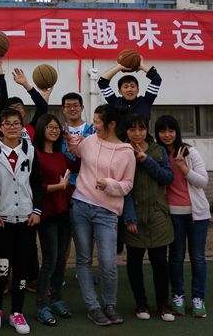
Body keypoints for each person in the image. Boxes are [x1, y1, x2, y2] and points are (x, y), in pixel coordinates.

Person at [65, 104, 135, 326]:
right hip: (80, 205)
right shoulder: (89, 141)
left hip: (107, 212)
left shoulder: (126, 152)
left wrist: (110, 184)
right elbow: (76, 150)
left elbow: (128, 185)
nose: (93, 125)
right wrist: (70, 139)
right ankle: (93, 307)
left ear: (111, 124)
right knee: (83, 259)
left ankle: (110, 305)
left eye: (97, 122)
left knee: (108, 262)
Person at [0, 108, 43, 335]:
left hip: (26, 218)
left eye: (16, 123)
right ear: (0, 127)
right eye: (7, 123)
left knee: (21, 268)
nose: (11, 127)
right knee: (1, 268)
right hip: (2, 219)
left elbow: (37, 183)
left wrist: (36, 210)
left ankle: (17, 312)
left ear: (22, 126)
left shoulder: (30, 150)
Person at [155, 115, 210, 319]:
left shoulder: (189, 152)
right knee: (176, 257)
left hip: (198, 215)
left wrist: (184, 169)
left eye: (171, 130)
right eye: (162, 131)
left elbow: (203, 182)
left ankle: (198, 299)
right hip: (173, 215)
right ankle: (177, 296)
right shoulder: (158, 154)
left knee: (198, 257)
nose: (167, 135)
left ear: (177, 132)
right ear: (157, 134)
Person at [121, 113, 175, 322]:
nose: (137, 133)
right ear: (126, 131)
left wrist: (147, 161)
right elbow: (123, 187)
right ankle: (140, 303)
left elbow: (168, 178)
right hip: (133, 217)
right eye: (132, 129)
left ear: (147, 130)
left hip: (157, 215)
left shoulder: (157, 150)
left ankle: (163, 304)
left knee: (160, 263)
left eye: (141, 128)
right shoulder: (122, 151)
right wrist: (129, 217)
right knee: (134, 263)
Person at [32, 114, 80, 327]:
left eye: (56, 127)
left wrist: (71, 141)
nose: (54, 130)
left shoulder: (61, 154)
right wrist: (57, 187)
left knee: (61, 259)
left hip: (64, 212)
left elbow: (77, 165)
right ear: (41, 129)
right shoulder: (35, 155)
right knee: (50, 260)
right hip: (46, 214)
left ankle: (56, 299)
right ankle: (41, 305)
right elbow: (33, 186)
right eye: (50, 127)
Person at [97, 58, 162, 139]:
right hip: (120, 144)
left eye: (132, 86)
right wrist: (118, 67)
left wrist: (142, 66)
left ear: (138, 90)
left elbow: (157, 79)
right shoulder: (114, 102)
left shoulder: (146, 101)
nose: (129, 89)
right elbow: (102, 82)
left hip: (142, 143)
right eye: (125, 87)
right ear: (120, 91)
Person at [0, 56, 49, 143]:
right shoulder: (2, 127)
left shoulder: (32, 127)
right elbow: (2, 96)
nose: (16, 110)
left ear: (24, 112)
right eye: (12, 108)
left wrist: (26, 84)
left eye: (18, 107)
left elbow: (42, 106)